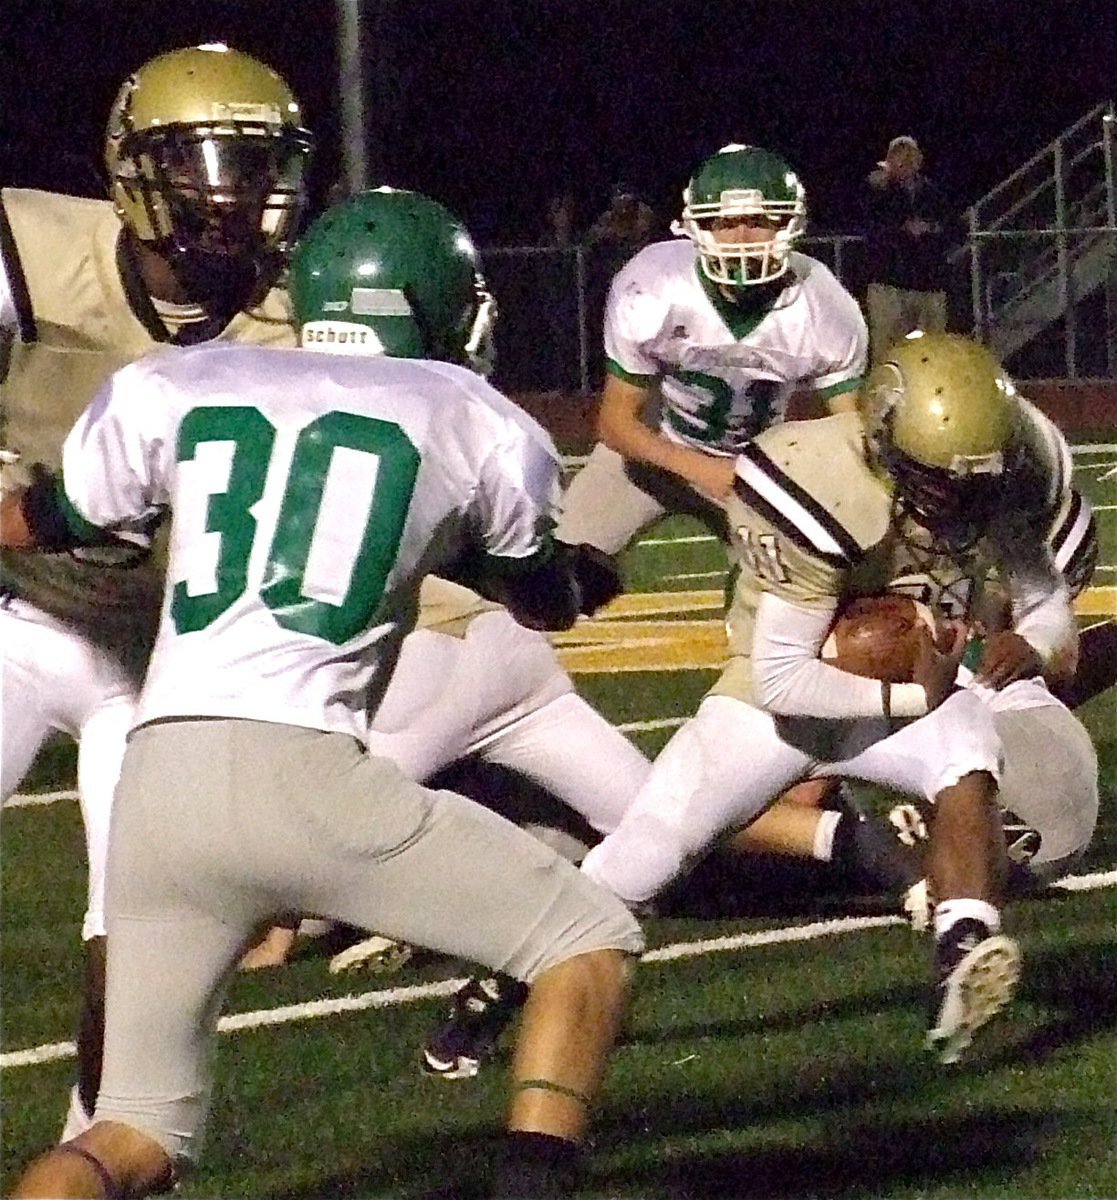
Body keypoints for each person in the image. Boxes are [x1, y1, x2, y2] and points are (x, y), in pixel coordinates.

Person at [4, 186, 645, 1200]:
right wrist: (582, 577)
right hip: (305, 770)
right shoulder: (472, 413)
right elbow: (540, 597)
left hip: (160, 780)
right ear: (439, 302)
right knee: (587, 940)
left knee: (130, 1133)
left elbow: (48, 518)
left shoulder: (183, 378)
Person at [580, 333, 1089, 1068]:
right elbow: (786, 676)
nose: (960, 499)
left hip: (896, 682)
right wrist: (919, 695)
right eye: (938, 479)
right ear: (881, 441)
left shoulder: (1015, 463)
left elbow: (1044, 600)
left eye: (975, 481)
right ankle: (502, 989)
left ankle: (964, 947)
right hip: (779, 700)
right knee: (645, 857)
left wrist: (1031, 646)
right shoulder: (812, 477)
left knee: (966, 744)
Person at [0, 42, 315, 1139]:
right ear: (135, 171)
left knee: (137, 927)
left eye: (257, 165)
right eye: (205, 165)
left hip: (173, 668)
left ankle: (92, 1145)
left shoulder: (301, 321)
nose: (233, 196)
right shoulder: (32, 248)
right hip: (25, 615)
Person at [557, 143, 868, 557]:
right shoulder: (653, 284)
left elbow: (853, 437)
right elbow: (615, 423)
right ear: (697, 227)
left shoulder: (824, 305)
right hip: (648, 458)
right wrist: (702, 468)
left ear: (789, 225)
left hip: (757, 473)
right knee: (556, 577)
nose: (741, 238)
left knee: (801, 589)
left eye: (758, 221)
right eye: (725, 223)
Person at [863, 136, 952, 363]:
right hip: (889, 282)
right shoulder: (878, 190)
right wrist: (902, 228)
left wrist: (930, 228)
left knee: (933, 352)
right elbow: (869, 227)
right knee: (886, 352)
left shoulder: (932, 191)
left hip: (928, 282)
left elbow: (953, 227)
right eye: (899, 154)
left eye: (910, 154)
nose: (905, 160)